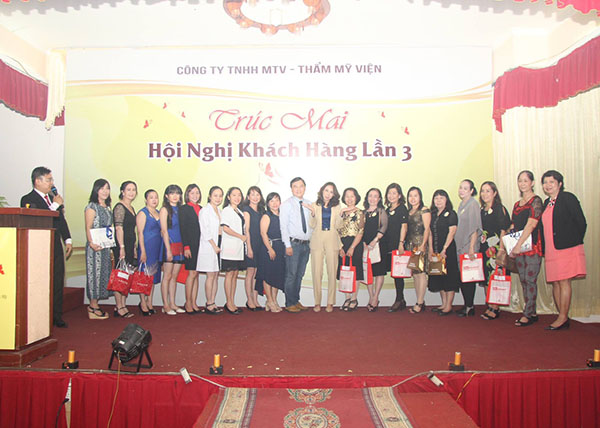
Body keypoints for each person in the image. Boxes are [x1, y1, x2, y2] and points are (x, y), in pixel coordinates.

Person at [20, 167, 73, 327]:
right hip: (39, 247)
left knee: (57, 280)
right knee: (41, 282)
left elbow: (60, 220)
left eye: (52, 179)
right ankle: (40, 316)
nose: (52, 183)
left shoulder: (52, 198)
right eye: (48, 180)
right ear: (38, 181)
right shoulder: (28, 199)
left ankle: (56, 316)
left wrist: (68, 239)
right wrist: (55, 206)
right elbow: (37, 219)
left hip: (55, 244)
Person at [540, 170, 587, 330]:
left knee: (564, 281)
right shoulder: (547, 202)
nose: (548, 185)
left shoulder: (567, 198)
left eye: (551, 182)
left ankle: (562, 317)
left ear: (560, 184)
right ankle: (563, 316)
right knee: (555, 282)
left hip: (567, 247)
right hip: (551, 249)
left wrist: (574, 241)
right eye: (545, 182)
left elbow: (581, 222)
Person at [510, 171, 543, 327]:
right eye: (520, 181)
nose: (522, 184)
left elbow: (531, 224)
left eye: (525, 180)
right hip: (519, 248)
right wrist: (510, 244)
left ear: (532, 183)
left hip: (532, 247)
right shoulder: (517, 204)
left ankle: (528, 314)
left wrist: (518, 245)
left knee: (530, 280)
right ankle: (532, 312)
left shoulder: (536, 201)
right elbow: (513, 225)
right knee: (523, 280)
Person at [306, 182, 343, 312]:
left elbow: (339, 226)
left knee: (332, 271)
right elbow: (312, 225)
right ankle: (317, 302)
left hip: (332, 239)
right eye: (326, 190)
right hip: (317, 239)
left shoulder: (337, 207)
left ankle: (330, 302)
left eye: (331, 192)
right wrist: (313, 214)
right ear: (322, 191)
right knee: (317, 272)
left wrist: (341, 216)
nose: (328, 194)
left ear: (334, 194)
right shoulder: (314, 205)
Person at [479, 181, 511, 320]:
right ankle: (489, 305)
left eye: (488, 191)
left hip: (497, 247)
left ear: (495, 193)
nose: (485, 194)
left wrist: (502, 249)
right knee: (487, 277)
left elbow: (504, 229)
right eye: (483, 191)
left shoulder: (499, 208)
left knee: (496, 276)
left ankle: (495, 307)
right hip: (485, 248)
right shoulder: (482, 210)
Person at [280, 177, 313, 313]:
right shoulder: (286, 204)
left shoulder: (309, 204)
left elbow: (312, 224)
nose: (298, 189)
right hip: (293, 244)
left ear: (305, 188)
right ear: (291, 189)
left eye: (301, 186)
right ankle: (289, 303)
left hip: (306, 245)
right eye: (295, 186)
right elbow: (283, 226)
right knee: (291, 274)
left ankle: (295, 300)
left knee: (299, 275)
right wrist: (287, 245)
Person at [83, 179, 112, 320]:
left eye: (107, 188)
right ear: (96, 190)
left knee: (102, 276)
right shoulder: (91, 207)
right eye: (102, 188)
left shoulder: (107, 207)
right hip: (94, 248)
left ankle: (95, 305)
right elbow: (88, 227)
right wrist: (91, 243)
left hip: (105, 247)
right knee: (94, 275)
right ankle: (93, 307)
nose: (105, 191)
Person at [427, 190, 459, 315]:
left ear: (446, 200)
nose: (438, 200)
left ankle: (449, 306)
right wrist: (430, 249)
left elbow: (452, 232)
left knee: (449, 278)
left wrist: (444, 249)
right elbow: (430, 233)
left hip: (447, 251)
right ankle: (444, 303)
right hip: (435, 251)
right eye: (436, 198)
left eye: (441, 198)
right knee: (439, 277)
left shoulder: (451, 213)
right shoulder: (433, 214)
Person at [455, 179, 482, 317]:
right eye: (461, 187)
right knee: (462, 278)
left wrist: (472, 248)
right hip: (460, 246)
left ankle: (470, 306)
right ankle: (467, 304)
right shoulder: (461, 205)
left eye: (465, 188)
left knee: (468, 278)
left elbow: (475, 228)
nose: (462, 190)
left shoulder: (473, 204)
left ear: (471, 191)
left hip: (468, 246)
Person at [112, 180, 138, 318]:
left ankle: (122, 304)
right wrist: (121, 247)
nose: (131, 192)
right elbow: (119, 228)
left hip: (129, 244)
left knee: (126, 276)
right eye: (128, 189)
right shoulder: (119, 207)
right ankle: (119, 306)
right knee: (120, 275)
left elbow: (132, 230)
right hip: (121, 245)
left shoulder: (131, 208)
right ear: (122, 192)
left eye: (133, 190)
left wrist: (133, 247)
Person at [256, 192, 286, 312]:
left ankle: (274, 300)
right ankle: (269, 300)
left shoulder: (282, 215)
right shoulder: (266, 216)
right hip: (269, 248)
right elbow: (263, 233)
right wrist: (270, 249)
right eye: (271, 201)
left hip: (280, 247)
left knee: (276, 276)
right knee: (268, 275)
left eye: (277, 200)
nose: (274, 203)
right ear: (268, 203)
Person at [337, 188, 365, 311]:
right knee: (344, 271)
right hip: (342, 244)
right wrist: (340, 247)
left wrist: (352, 247)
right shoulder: (341, 213)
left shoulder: (360, 213)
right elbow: (336, 230)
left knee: (356, 271)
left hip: (355, 244)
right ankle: (347, 298)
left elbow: (361, 231)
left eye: (352, 196)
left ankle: (354, 298)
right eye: (347, 196)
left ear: (356, 197)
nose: (349, 199)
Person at [220, 187, 247, 315]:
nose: (237, 197)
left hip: (238, 248)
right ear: (228, 197)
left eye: (239, 195)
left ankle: (232, 301)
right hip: (230, 247)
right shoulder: (226, 210)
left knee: (235, 275)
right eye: (234, 195)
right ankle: (229, 302)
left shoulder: (239, 211)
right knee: (230, 274)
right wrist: (240, 236)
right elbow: (225, 228)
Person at [159, 184, 184, 315]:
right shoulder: (164, 210)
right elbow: (164, 231)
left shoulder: (181, 209)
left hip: (179, 246)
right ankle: (165, 305)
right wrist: (168, 249)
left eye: (177, 193)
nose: (175, 196)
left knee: (174, 276)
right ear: (167, 196)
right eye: (172, 193)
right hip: (169, 245)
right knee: (167, 276)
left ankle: (173, 303)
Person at [198, 186, 223, 315]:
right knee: (210, 275)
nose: (218, 198)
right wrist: (214, 246)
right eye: (215, 195)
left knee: (216, 275)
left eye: (220, 196)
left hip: (219, 244)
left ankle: (213, 301)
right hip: (209, 245)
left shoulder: (220, 211)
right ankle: (209, 303)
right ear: (209, 196)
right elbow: (205, 231)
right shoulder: (205, 211)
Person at [362, 188, 388, 312]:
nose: (372, 198)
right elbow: (360, 229)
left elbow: (384, 226)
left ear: (379, 199)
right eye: (370, 196)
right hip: (365, 246)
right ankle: (371, 296)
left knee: (379, 272)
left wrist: (375, 240)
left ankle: (376, 297)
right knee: (369, 272)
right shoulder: (363, 213)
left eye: (375, 196)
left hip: (378, 245)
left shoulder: (381, 211)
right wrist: (364, 243)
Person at [136, 189, 162, 315]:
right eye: (151, 197)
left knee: (152, 276)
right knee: (144, 276)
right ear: (146, 199)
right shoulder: (143, 213)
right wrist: (142, 251)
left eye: (156, 197)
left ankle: (150, 302)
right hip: (146, 247)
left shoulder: (158, 212)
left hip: (157, 248)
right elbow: (140, 233)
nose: (154, 200)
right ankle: (142, 302)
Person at [384, 183, 409, 312]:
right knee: (394, 273)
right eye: (389, 193)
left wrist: (401, 243)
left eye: (394, 193)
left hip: (398, 245)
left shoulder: (402, 208)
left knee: (398, 274)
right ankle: (402, 300)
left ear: (399, 195)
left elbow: (404, 227)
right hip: (388, 245)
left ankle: (399, 300)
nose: (391, 195)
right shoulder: (387, 210)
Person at [405, 186, 430, 314]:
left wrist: (423, 245)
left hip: (420, 244)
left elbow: (427, 229)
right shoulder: (408, 211)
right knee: (415, 274)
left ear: (420, 197)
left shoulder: (424, 210)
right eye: (410, 196)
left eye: (415, 195)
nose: (413, 198)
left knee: (421, 274)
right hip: (410, 245)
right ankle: (420, 300)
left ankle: (419, 302)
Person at [179, 184, 203, 314]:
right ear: (187, 194)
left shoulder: (202, 208)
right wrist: (186, 247)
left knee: (197, 274)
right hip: (190, 245)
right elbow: (183, 229)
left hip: (201, 245)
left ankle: (194, 302)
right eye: (192, 193)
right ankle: (188, 302)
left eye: (197, 193)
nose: (195, 195)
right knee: (192, 273)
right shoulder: (183, 209)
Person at [242, 186, 265, 311]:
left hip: (261, 245)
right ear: (248, 197)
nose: (255, 197)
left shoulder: (262, 211)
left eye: (257, 194)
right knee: (250, 272)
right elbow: (247, 230)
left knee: (256, 273)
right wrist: (249, 248)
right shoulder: (246, 210)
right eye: (252, 194)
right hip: (251, 244)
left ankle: (255, 300)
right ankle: (249, 300)